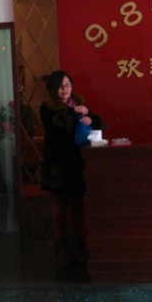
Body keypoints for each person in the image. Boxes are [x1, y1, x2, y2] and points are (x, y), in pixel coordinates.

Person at [39, 70, 104, 278]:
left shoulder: (80, 102)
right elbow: (58, 124)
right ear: (52, 89)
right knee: (59, 207)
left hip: (77, 163)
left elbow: (98, 122)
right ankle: (62, 250)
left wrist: (89, 118)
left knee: (77, 206)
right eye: (60, 86)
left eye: (67, 85)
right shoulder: (47, 107)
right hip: (57, 165)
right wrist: (76, 112)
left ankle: (78, 248)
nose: (64, 89)